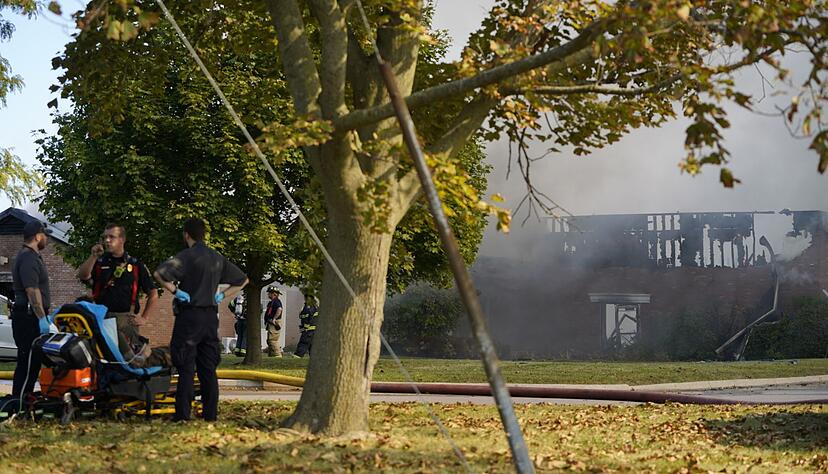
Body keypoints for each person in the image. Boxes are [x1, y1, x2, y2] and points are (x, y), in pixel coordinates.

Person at [154, 218, 247, 422]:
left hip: (189, 317)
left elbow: (159, 274)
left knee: (186, 367)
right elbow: (243, 280)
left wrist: (176, 291)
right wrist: (222, 296)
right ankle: (210, 415)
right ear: (204, 234)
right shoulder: (216, 258)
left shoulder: (186, 257)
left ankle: (182, 416)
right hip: (210, 319)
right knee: (208, 369)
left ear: (186, 234)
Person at [76, 223, 159, 366]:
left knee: (130, 361)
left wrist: (144, 318)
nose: (107, 240)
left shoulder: (136, 265)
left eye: (111, 237)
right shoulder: (99, 262)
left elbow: (153, 293)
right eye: (105, 237)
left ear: (122, 239)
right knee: (102, 361)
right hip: (101, 319)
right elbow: (83, 275)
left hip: (125, 321)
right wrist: (93, 256)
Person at [10, 220, 51, 398]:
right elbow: (31, 290)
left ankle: (24, 402)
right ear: (37, 236)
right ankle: (18, 406)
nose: (47, 239)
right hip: (29, 317)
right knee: (27, 364)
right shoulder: (28, 257)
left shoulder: (29, 256)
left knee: (33, 363)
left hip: (29, 316)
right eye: (45, 235)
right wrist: (41, 317)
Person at [293, 294, 318, 358]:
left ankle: (298, 355)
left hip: (308, 330)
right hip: (313, 330)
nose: (305, 299)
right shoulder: (314, 306)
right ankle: (314, 357)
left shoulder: (309, 307)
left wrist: (305, 327)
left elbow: (308, 318)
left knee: (303, 343)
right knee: (311, 345)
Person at [263, 286, 283, 357]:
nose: (268, 294)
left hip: (274, 322)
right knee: (269, 340)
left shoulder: (276, 301)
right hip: (270, 322)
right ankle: (272, 355)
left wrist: (274, 319)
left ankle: (277, 355)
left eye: (269, 293)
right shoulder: (272, 302)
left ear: (274, 294)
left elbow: (279, 309)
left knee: (273, 340)